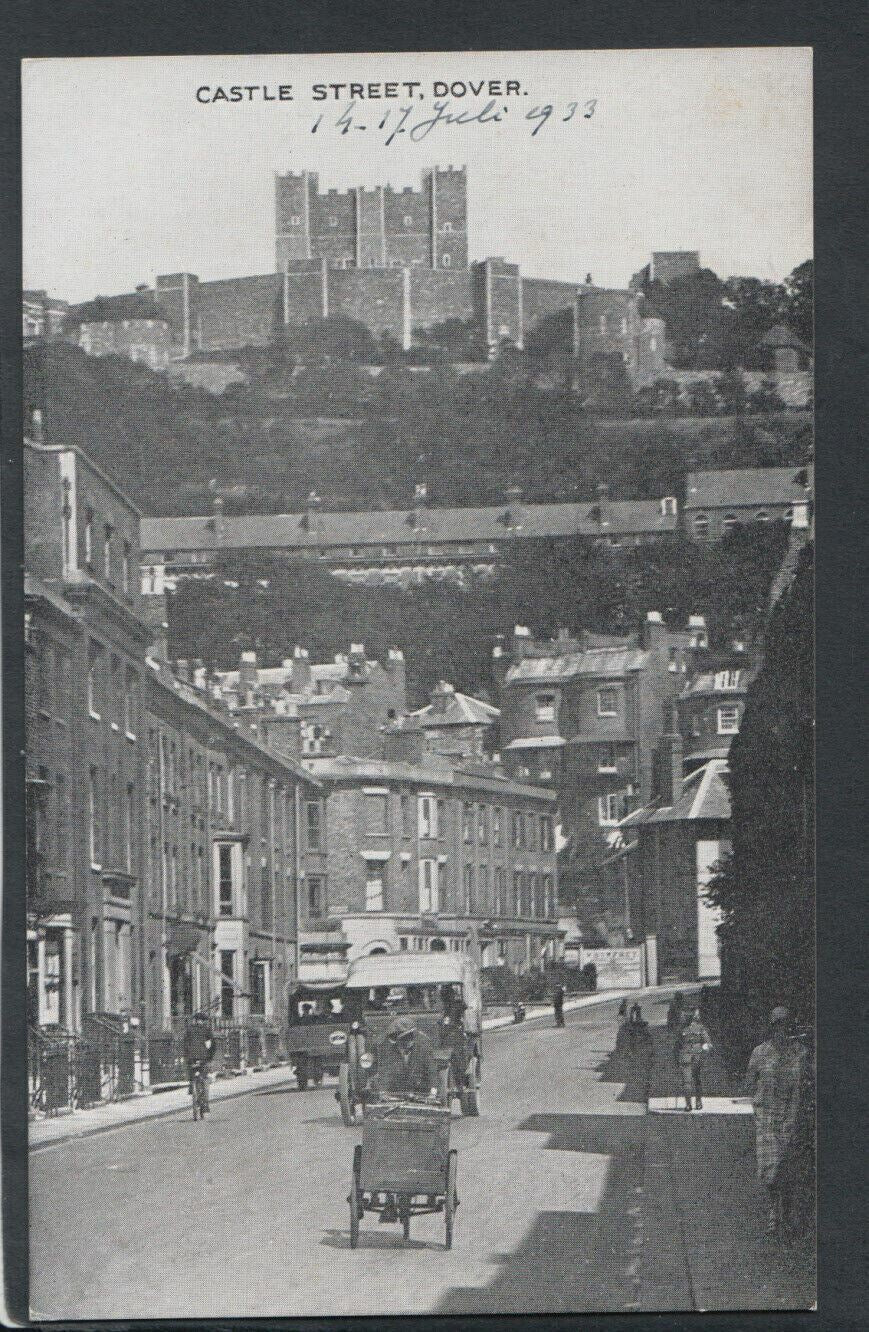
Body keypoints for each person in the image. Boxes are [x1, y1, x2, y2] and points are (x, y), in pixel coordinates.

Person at [744, 1006, 806, 1236]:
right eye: (777, 1025)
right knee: (769, 1170)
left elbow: (802, 1088)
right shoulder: (760, 1053)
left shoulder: (800, 1053)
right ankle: (773, 1207)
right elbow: (749, 1083)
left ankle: (787, 1213)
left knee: (787, 1169)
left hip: (790, 1116)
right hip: (766, 1118)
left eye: (785, 1025)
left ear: (790, 1027)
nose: (781, 1029)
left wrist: (794, 1117)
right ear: (771, 1028)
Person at [372, 1017, 440, 1224]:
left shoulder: (424, 1046)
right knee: (384, 1135)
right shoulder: (386, 1050)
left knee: (426, 1135)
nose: (407, 1043)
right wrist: (382, 1093)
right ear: (396, 1040)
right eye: (403, 1040)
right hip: (395, 1098)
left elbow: (432, 1073)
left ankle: (427, 1177)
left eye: (410, 1038)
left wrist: (433, 1092)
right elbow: (382, 1075)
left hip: (420, 1097)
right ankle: (388, 1196)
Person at [674, 1007, 711, 1111]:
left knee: (689, 1081)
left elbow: (677, 1046)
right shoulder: (700, 1028)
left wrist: (676, 1060)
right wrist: (704, 1048)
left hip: (689, 1058)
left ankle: (690, 1104)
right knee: (694, 1081)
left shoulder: (682, 1029)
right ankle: (696, 1103)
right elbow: (708, 1043)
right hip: (694, 1058)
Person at [182, 1012, 215, 1107]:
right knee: (204, 1078)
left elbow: (185, 1044)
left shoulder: (189, 1029)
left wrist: (186, 1056)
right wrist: (210, 1056)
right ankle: (205, 1104)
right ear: (203, 1021)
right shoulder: (206, 1030)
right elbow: (212, 1044)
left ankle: (191, 1085)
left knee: (191, 1073)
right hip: (203, 1057)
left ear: (195, 1020)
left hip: (191, 1057)